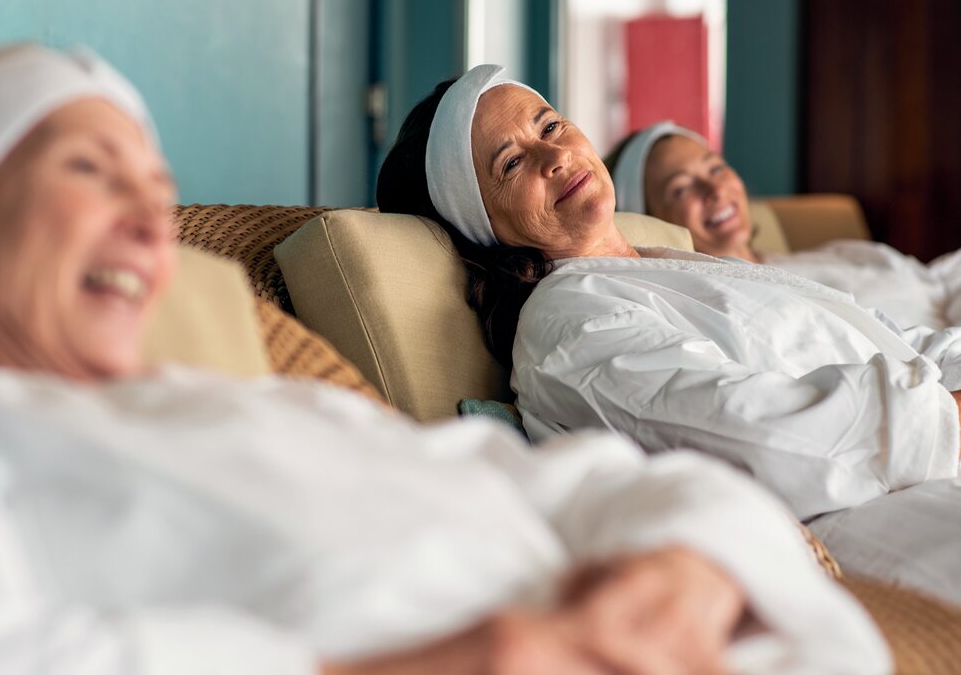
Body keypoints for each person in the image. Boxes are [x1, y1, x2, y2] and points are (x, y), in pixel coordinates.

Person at [0, 44, 886, 674]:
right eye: (87, 170)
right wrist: (469, 657)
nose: (150, 225)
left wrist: (688, 568)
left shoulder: (274, 405)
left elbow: (601, 482)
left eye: (157, 195)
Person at [376, 64, 961, 603]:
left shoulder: (673, 264)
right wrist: (945, 414)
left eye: (550, 125)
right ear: (484, 224)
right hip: (848, 525)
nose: (553, 155)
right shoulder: (567, 324)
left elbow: (896, 339)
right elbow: (760, 439)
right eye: (510, 164)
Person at [608, 121, 961, 331]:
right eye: (681, 188)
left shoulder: (838, 252)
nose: (715, 189)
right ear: (651, 219)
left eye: (715, 168)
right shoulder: (736, 306)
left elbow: (936, 280)